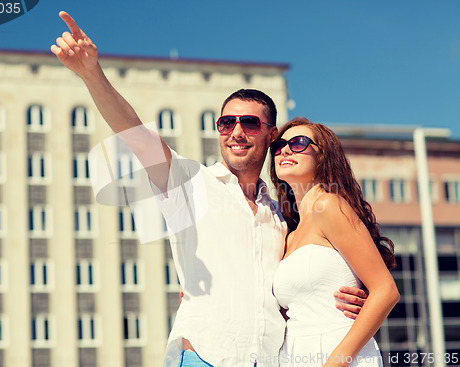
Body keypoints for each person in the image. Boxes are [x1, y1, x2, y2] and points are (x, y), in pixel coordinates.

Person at [51, 11, 368, 367]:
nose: (236, 132)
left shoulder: (281, 216)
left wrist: (345, 296)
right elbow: (135, 135)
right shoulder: (189, 182)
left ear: (271, 134)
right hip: (204, 358)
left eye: (249, 123)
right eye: (225, 122)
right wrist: (92, 74)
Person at [269, 117, 400, 366]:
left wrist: (335, 363)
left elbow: (386, 291)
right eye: (278, 145)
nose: (284, 149)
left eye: (298, 143)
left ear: (322, 156)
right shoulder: (290, 235)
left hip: (338, 353)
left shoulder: (329, 206)